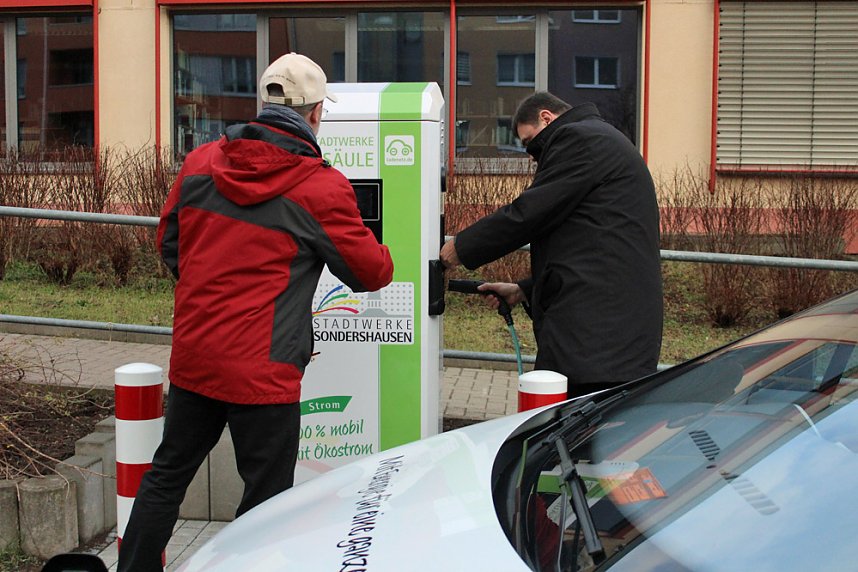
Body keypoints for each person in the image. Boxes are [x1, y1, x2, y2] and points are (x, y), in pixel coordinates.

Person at [117, 53, 394, 571]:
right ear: (315, 115)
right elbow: (371, 273)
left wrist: (208, 294)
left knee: (167, 474)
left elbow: (168, 242)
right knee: (267, 500)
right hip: (265, 370)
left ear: (264, 105)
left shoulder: (200, 162)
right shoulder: (319, 186)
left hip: (198, 354)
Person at [440, 91, 662, 397]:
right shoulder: (599, 139)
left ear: (547, 117)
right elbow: (594, 248)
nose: (534, 154)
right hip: (604, 335)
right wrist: (524, 290)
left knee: (582, 435)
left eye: (532, 142)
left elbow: (530, 213)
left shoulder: (581, 139)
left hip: (600, 343)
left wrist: (459, 248)